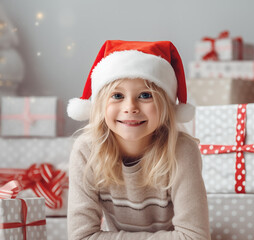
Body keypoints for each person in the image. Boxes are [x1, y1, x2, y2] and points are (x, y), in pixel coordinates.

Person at [66, 40, 210, 239]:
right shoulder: (86, 150)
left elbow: (194, 237)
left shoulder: (181, 150)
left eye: (145, 95)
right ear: (100, 105)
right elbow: (81, 236)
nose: (130, 107)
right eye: (117, 95)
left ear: (167, 105)